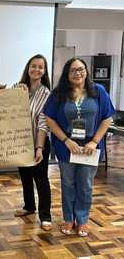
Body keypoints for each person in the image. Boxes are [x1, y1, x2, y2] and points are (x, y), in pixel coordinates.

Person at [44, 57, 114, 237]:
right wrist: (66, 140)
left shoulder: (98, 91)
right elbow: (49, 119)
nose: (78, 73)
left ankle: (82, 220)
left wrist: (94, 142)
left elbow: (107, 118)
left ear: (86, 71)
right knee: (68, 184)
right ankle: (68, 219)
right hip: (66, 146)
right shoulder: (59, 93)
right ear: (67, 74)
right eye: (73, 70)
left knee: (85, 185)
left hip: (90, 147)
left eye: (81, 69)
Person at [13, 54, 52, 231]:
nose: (36, 70)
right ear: (28, 68)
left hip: (39, 142)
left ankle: (45, 216)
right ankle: (29, 207)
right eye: (33, 66)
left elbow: (43, 122)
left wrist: (39, 148)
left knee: (41, 179)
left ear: (44, 71)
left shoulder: (46, 93)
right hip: (21, 143)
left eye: (40, 67)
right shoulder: (17, 88)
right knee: (25, 177)